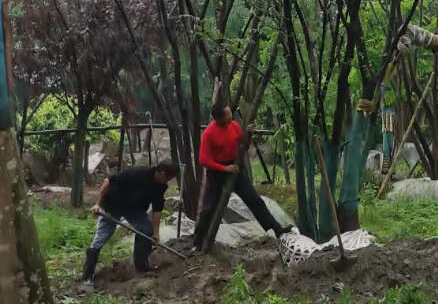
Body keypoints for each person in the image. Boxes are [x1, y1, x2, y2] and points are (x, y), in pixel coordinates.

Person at [193, 103, 289, 249]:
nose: (231, 115)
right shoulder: (209, 133)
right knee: (208, 208)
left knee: (255, 200)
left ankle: (276, 229)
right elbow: (203, 160)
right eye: (227, 114)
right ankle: (198, 243)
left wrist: (248, 134)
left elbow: (244, 145)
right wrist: (224, 168)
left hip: (236, 169)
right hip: (217, 173)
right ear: (219, 118)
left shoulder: (234, 126)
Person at [82, 159, 179, 283]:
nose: (167, 181)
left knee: (146, 229)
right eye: (167, 177)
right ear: (160, 172)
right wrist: (97, 204)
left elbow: (157, 210)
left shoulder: (161, 186)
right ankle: (87, 275)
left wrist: (155, 232)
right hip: (113, 204)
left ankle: (141, 266)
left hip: (134, 209)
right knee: (101, 237)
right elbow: (108, 181)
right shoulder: (136, 173)